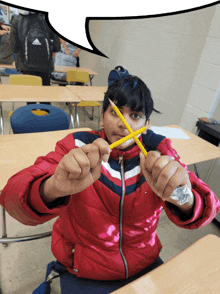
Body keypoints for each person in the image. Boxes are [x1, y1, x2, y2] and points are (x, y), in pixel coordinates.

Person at [0, 74, 220, 293]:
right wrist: (53, 187)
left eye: (135, 115)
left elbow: (207, 208)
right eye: (115, 112)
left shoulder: (160, 153)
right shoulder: (76, 147)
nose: (124, 125)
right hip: (83, 269)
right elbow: (12, 200)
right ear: (102, 117)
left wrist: (182, 197)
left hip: (145, 265)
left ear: (147, 124)